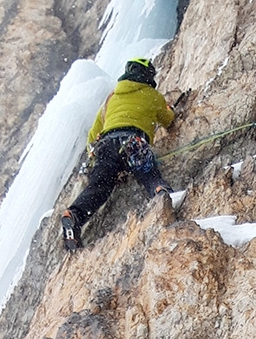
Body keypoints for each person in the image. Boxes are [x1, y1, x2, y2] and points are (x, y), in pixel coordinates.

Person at [61, 57, 176, 251]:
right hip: (133, 142)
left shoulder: (111, 98)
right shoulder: (152, 95)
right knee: (149, 176)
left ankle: (75, 215)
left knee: (99, 188)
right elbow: (168, 120)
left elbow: (93, 134)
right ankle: (160, 193)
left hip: (105, 145)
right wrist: (169, 109)